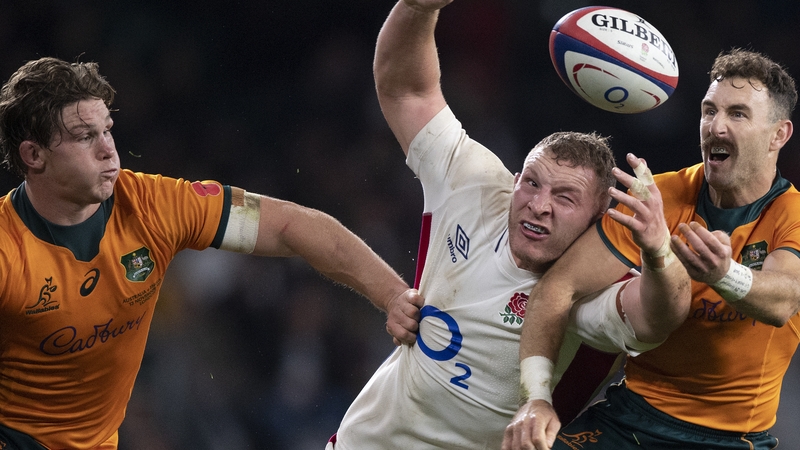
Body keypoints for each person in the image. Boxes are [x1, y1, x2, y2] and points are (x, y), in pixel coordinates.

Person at [0, 56, 427, 450]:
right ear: (33, 155)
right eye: (83, 137)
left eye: (107, 129)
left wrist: (393, 296)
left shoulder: (155, 205)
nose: (107, 148)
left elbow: (291, 226)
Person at [328, 1, 691, 448]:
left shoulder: (590, 291)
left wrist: (657, 250)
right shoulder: (478, 186)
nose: (539, 205)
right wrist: (417, 8)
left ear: (599, 219)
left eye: (564, 198)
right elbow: (406, 91)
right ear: (515, 180)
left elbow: (658, 317)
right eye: (532, 184)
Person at [504, 48, 800, 450]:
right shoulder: (660, 197)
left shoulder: (792, 214)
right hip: (630, 419)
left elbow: (783, 301)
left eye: (738, 114)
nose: (716, 126)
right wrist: (535, 400)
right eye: (709, 111)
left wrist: (723, 273)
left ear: (778, 135)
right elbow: (557, 287)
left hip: (730, 439)